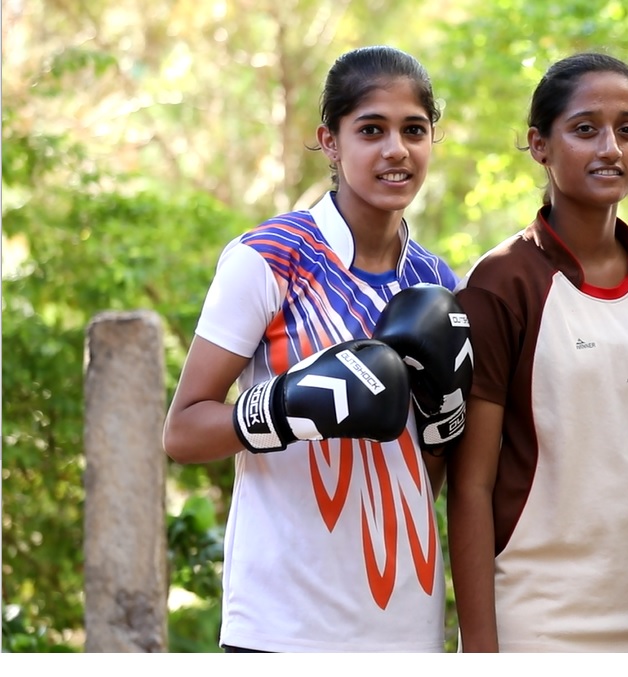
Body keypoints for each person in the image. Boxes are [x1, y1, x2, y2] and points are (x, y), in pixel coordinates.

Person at [162, 45, 462, 653]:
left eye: (413, 130)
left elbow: (426, 469)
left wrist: (444, 413)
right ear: (330, 141)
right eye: (370, 130)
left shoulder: (437, 281)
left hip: (406, 619)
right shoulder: (270, 257)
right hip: (283, 620)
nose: (395, 150)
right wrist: (289, 405)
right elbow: (183, 433)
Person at [447, 52, 628, 652]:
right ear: (539, 145)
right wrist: (480, 647)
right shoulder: (501, 283)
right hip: (542, 618)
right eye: (585, 129)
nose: (610, 147)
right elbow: (470, 485)